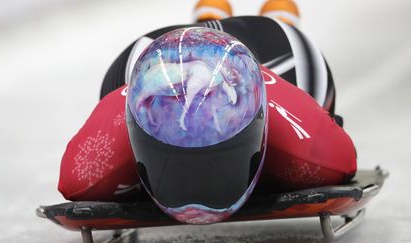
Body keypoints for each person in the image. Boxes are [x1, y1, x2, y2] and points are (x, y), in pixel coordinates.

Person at [58, 0, 356, 223]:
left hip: (276, 50)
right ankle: (223, 18)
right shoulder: (316, 157)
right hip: (160, 59)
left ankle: (228, 18)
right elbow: (345, 162)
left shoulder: (307, 149)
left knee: (311, 84)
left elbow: (342, 157)